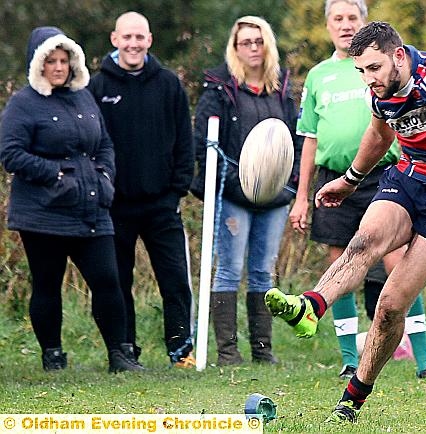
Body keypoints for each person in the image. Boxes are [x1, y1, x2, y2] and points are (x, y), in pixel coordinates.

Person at [264, 21, 426, 423]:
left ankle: (354, 396)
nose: (368, 79)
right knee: (363, 241)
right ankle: (311, 306)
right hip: (411, 177)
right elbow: (379, 135)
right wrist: (349, 181)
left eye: (374, 68)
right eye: (361, 71)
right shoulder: (380, 93)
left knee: (389, 305)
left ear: (399, 56)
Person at [291, 0, 426, 379]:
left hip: (387, 174)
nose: (344, 25)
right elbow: (308, 138)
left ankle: (424, 360)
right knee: (341, 261)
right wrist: (301, 196)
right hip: (334, 176)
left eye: (351, 18)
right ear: (327, 26)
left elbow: (385, 129)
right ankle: (348, 359)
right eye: (337, 19)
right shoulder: (318, 75)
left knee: (401, 264)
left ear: (364, 25)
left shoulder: (393, 70)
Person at [0, 26, 144, 373]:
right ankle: (53, 355)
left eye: (64, 60)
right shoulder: (23, 104)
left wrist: (105, 176)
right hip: (43, 213)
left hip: (92, 208)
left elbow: (104, 143)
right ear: (39, 64)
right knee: (48, 284)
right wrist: (55, 175)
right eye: (51, 61)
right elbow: (10, 154)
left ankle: (119, 355)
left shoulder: (83, 97)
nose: (59, 67)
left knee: (108, 280)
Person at [191, 16, 302, 366]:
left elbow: (298, 140)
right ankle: (227, 352)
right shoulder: (219, 89)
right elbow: (204, 146)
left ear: (267, 44)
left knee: (262, 271)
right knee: (229, 268)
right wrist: (238, 184)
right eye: (245, 42)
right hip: (232, 196)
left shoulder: (282, 90)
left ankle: (262, 351)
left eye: (259, 41)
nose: (253, 47)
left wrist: (290, 182)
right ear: (235, 48)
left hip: (276, 196)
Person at [88, 12, 195, 368]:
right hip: (113, 206)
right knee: (116, 280)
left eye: (140, 37)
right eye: (127, 37)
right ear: (114, 39)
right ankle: (123, 349)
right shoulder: (97, 88)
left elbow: (185, 141)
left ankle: (180, 348)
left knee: (175, 279)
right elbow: (90, 144)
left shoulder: (168, 83)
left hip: (162, 203)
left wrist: (176, 189)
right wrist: (101, 192)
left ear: (149, 40)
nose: (133, 44)